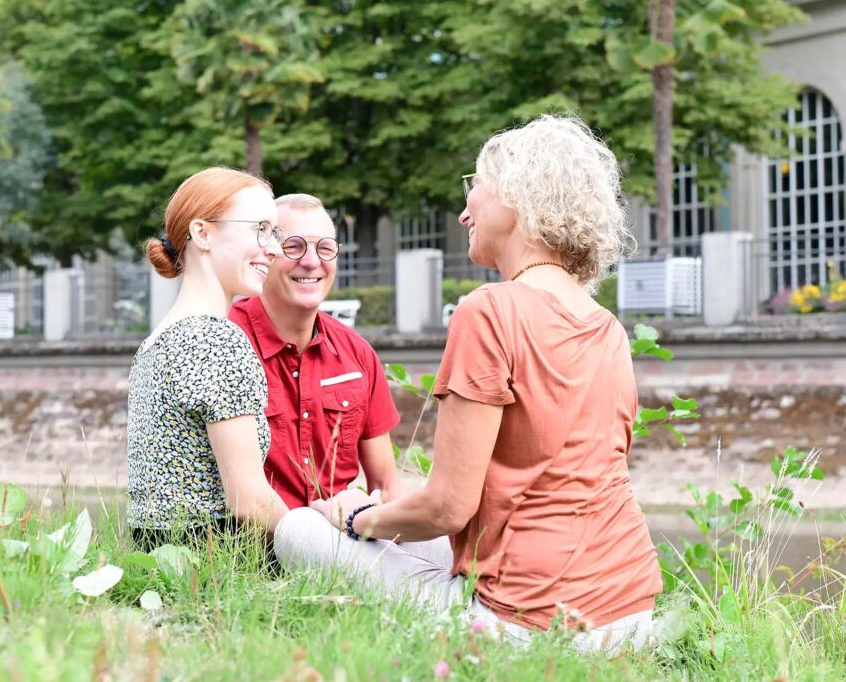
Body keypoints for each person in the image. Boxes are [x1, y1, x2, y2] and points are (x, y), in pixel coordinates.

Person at [274, 115, 663, 656]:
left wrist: (358, 517)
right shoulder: (607, 326)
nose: (463, 211)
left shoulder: (490, 310)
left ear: (519, 195)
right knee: (415, 540)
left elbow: (448, 509)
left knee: (299, 529)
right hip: (631, 614)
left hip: (531, 626)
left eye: (474, 186)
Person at [127, 167, 290, 547]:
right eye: (260, 229)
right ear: (202, 233)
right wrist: (329, 545)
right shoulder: (215, 340)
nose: (276, 249)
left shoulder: (156, 341)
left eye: (275, 232)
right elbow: (250, 503)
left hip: (163, 561)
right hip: (217, 562)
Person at [228, 193, 403, 509]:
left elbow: (387, 489)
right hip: (251, 534)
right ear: (266, 253)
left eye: (325, 248)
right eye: (294, 246)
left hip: (339, 536)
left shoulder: (357, 354)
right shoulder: (225, 344)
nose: (311, 262)